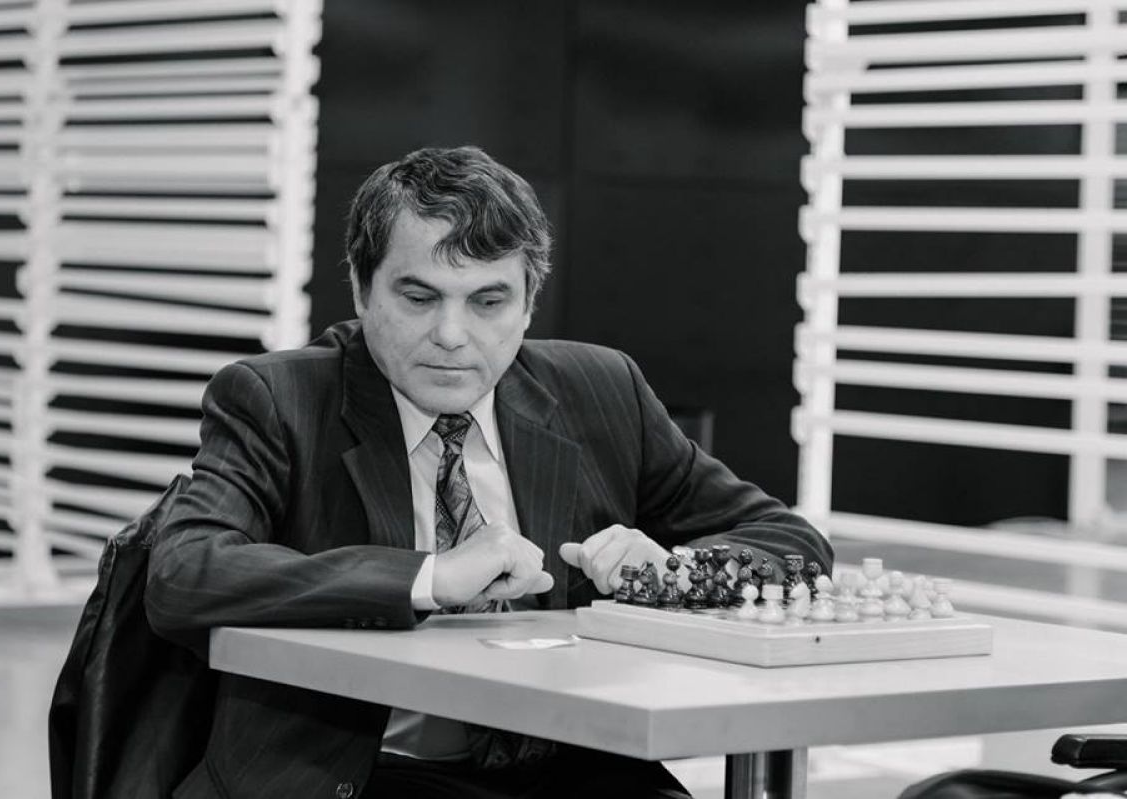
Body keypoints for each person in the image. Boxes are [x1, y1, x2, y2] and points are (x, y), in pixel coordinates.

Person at [145, 145, 833, 799]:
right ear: (360, 289)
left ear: (529, 303)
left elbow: (792, 542)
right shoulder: (278, 399)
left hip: (570, 765)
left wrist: (676, 573)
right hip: (356, 773)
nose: (452, 335)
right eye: (419, 298)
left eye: (488, 302)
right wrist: (427, 577)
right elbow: (184, 571)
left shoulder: (602, 389)